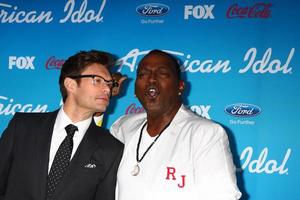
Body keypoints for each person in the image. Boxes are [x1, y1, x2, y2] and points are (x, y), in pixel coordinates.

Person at [110, 50, 242, 200]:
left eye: (162, 73)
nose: (151, 79)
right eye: (143, 74)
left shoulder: (206, 134)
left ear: (180, 86)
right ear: (135, 89)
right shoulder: (123, 127)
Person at [0, 50, 123, 200]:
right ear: (70, 84)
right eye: (97, 80)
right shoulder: (23, 126)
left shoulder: (111, 148)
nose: (107, 89)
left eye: (109, 83)